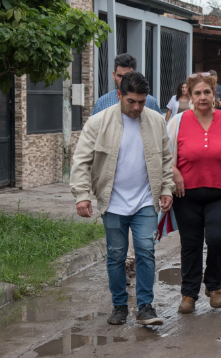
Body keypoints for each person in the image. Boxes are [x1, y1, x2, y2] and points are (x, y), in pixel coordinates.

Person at [71, 72, 174, 326]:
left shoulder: (156, 121)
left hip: (144, 200)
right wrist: (82, 195)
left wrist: (166, 189)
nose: (137, 107)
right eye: (131, 101)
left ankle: (145, 307)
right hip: (113, 201)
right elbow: (81, 160)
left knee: (146, 251)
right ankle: (119, 306)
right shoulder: (98, 122)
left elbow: (165, 159)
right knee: (116, 254)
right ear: (119, 95)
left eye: (141, 101)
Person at [167, 72, 221, 314]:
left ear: (214, 94)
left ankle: (214, 285)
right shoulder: (177, 121)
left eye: (207, 92)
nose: (202, 97)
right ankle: (189, 293)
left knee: (218, 238)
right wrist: (174, 172)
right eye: (197, 93)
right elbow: (165, 155)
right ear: (189, 94)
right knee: (191, 244)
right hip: (185, 195)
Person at [93, 53, 161, 115]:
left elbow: (161, 125)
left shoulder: (150, 102)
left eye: (127, 76)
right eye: (120, 76)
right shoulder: (102, 102)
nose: (123, 80)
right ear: (114, 75)